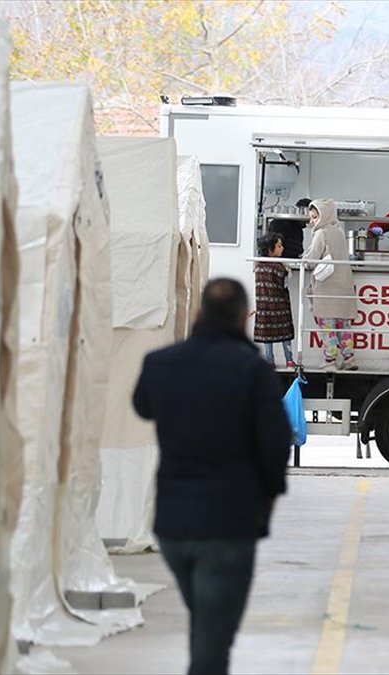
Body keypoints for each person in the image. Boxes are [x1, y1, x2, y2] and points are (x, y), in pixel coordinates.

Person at [132, 278, 292, 675]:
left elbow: (143, 406)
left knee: (205, 623)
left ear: (200, 314)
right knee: (213, 637)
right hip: (229, 525)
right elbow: (275, 445)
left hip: (172, 527)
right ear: (242, 321)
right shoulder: (254, 371)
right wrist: (268, 499)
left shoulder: (160, 364)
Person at [303, 199, 358, 371]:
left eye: (314, 217)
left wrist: (302, 260)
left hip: (327, 288)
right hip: (344, 287)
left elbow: (311, 259)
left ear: (323, 217)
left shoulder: (321, 233)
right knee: (343, 325)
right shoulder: (339, 231)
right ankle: (349, 359)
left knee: (327, 326)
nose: (311, 221)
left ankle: (330, 361)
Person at [253, 233, 297, 369]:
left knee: (267, 336)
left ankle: (269, 361)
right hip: (280, 307)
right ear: (270, 249)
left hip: (264, 308)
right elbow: (285, 284)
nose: (282, 248)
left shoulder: (259, 265)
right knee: (285, 334)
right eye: (279, 246)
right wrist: (289, 272)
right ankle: (289, 360)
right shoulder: (280, 266)